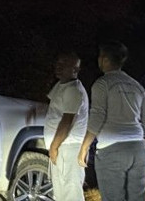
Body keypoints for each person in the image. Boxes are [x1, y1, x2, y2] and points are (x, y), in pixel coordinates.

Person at [77, 41, 145, 201]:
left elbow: (98, 116)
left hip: (112, 150)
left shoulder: (102, 84)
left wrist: (84, 147)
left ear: (104, 59)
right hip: (137, 149)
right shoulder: (136, 85)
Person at [44, 51, 89, 201]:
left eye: (64, 65)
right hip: (62, 147)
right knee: (61, 193)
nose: (58, 67)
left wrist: (54, 147)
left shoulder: (73, 90)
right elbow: (52, 108)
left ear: (75, 70)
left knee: (71, 193)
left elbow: (67, 121)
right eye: (58, 63)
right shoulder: (62, 85)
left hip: (68, 147)